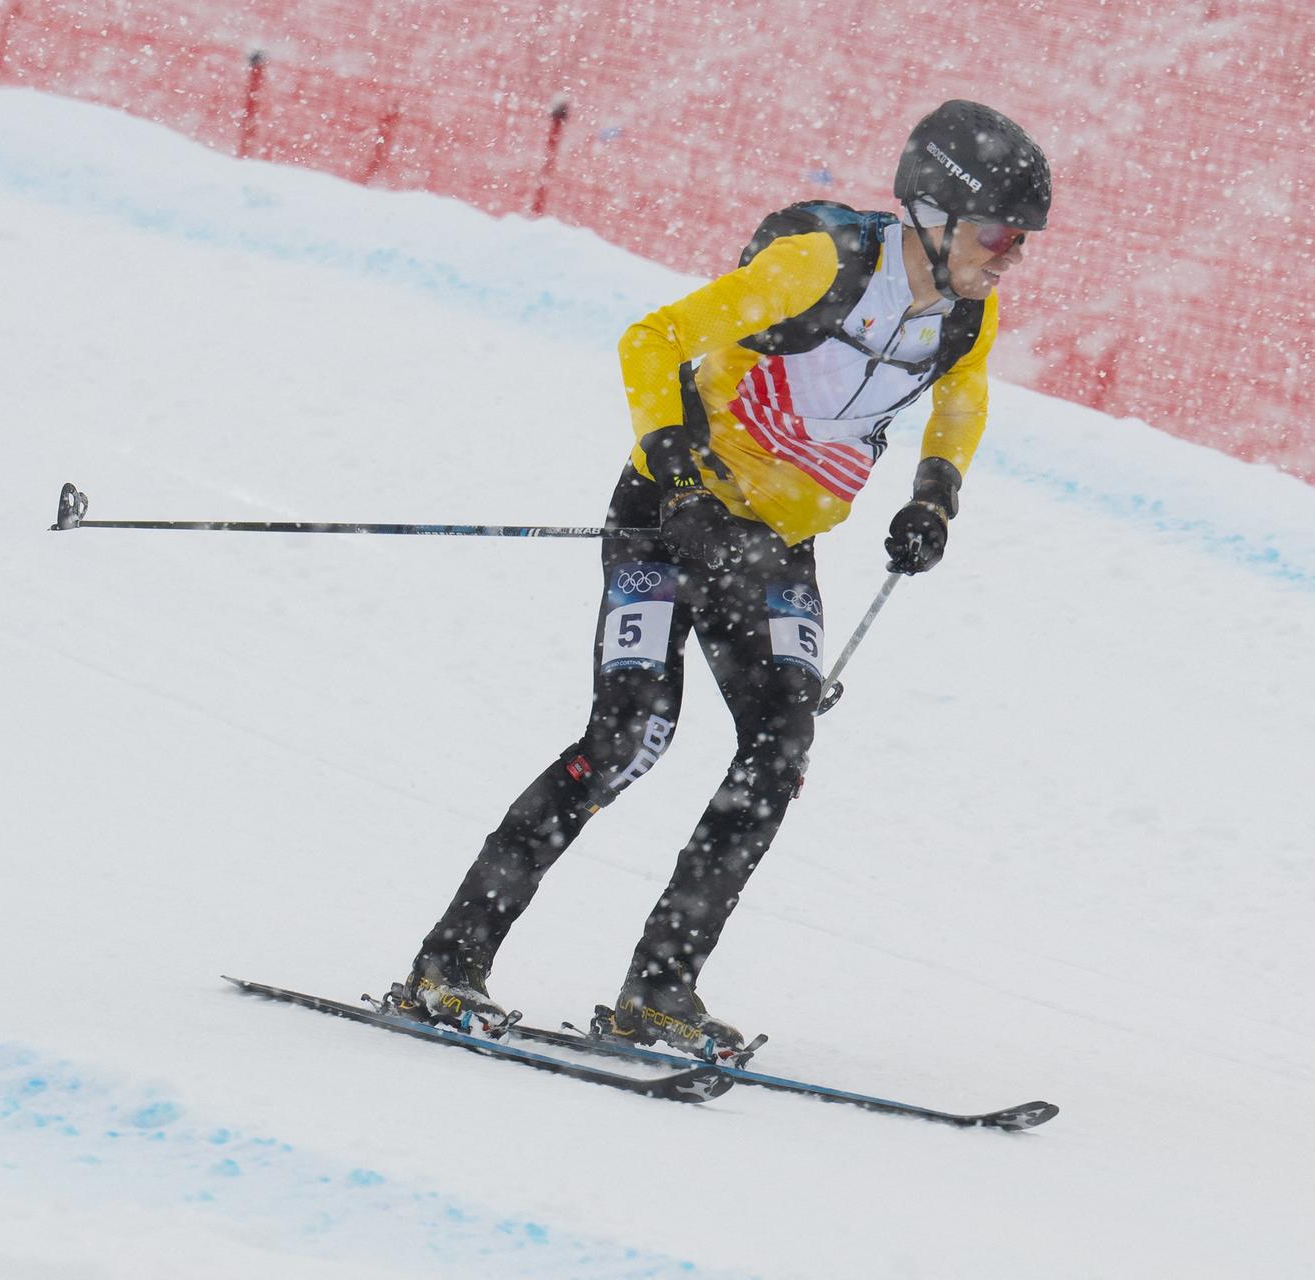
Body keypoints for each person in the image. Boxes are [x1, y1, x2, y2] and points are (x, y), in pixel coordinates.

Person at [382, 100, 1052, 1059]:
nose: (1012, 255)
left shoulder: (966, 312)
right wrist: (671, 465)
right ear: (936, 214)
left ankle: (659, 990)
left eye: (1023, 241)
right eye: (1000, 234)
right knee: (631, 736)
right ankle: (447, 966)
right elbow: (652, 341)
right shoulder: (822, 269)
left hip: (778, 548)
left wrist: (932, 499)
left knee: (779, 750)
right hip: (672, 519)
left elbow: (963, 398)